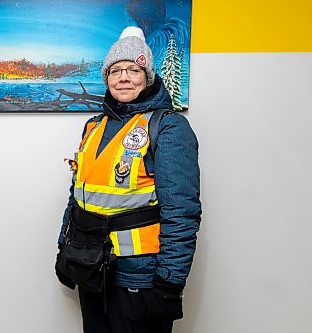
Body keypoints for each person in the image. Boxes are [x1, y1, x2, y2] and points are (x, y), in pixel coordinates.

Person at [56, 26, 201, 333]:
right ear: (107, 78)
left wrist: (170, 283)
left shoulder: (169, 128)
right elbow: (78, 193)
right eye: (116, 70)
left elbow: (182, 213)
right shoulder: (93, 126)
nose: (123, 77)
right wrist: (64, 247)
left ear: (147, 76)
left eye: (133, 70)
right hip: (91, 267)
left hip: (140, 277)